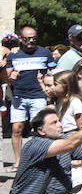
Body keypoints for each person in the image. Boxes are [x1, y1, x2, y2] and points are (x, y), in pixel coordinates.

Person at [7, 26, 57, 171]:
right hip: (19, 96)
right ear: (21, 39)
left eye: (34, 38)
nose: (31, 41)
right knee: (17, 129)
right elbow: (8, 76)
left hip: (38, 96)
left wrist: (48, 84)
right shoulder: (13, 55)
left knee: (41, 129)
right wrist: (12, 77)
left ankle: (40, 160)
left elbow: (55, 72)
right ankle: (18, 162)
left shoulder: (45, 52)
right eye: (28, 38)